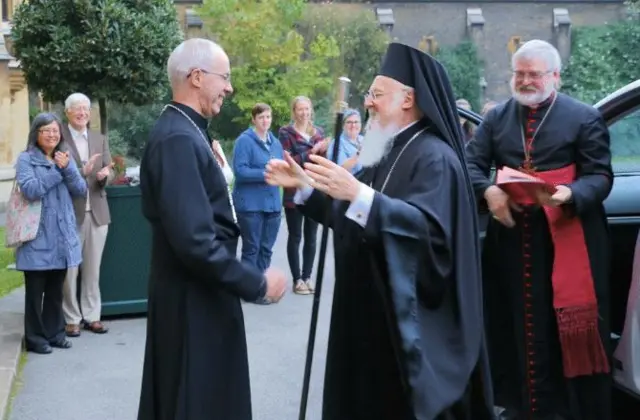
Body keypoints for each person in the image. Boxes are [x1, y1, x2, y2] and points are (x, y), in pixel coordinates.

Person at [266, 42, 494, 419]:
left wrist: (360, 194)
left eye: (376, 94)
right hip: (371, 318)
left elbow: (427, 234)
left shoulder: (437, 158)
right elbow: (353, 212)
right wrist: (305, 186)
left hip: (410, 329)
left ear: (408, 99)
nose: (368, 103)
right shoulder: (388, 150)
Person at [136, 38, 287, 420]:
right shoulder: (177, 139)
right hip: (192, 301)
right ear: (197, 77)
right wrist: (255, 282)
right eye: (226, 77)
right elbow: (195, 242)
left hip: (200, 294)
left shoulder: (189, 131)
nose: (230, 87)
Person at [465, 39, 613, 419]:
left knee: (562, 331)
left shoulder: (583, 117)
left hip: (567, 239)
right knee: (514, 326)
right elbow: (469, 165)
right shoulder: (498, 118)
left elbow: (600, 175)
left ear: (555, 77)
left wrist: (571, 193)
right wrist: (489, 191)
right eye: (519, 73)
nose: (526, 81)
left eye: (534, 74)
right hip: (512, 242)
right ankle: (521, 408)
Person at [15, 112, 88, 354]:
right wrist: (57, 171)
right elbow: (31, 189)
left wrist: (67, 168)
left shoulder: (64, 157)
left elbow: (80, 188)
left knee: (56, 291)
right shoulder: (26, 159)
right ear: (36, 133)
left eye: (55, 130)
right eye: (46, 130)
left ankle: (55, 334)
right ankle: (36, 339)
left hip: (61, 235)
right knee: (35, 294)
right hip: (37, 235)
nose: (52, 134)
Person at [61, 92, 114, 337]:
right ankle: (71, 318)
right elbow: (59, 175)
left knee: (93, 269)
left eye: (85, 109)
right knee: (70, 270)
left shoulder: (99, 138)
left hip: (98, 212)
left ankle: (92, 316)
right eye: (77, 109)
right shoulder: (58, 138)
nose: (82, 113)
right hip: (71, 212)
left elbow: (109, 169)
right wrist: (82, 171)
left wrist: (105, 176)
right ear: (67, 112)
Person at [277, 96, 328, 295]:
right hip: (293, 190)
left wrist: (322, 151)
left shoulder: (319, 133)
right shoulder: (285, 132)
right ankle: (297, 279)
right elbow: (288, 161)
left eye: (307, 109)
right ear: (294, 111)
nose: (304, 113)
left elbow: (321, 162)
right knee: (296, 236)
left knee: (311, 237)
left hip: (313, 190)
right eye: (300, 109)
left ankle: (307, 277)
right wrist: (312, 152)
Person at [232, 103, 284, 276]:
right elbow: (240, 171)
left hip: (273, 205)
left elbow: (281, 171)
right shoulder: (244, 141)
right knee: (252, 249)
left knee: (266, 249)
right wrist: (267, 173)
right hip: (251, 205)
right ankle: (249, 288)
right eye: (261, 117)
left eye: (268, 117)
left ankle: (262, 286)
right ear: (253, 119)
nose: (265, 121)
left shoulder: (276, 144)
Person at [327, 108, 363, 174]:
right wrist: (358, 154)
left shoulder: (363, 139)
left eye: (356, 122)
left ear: (360, 124)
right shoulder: (337, 144)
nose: (353, 125)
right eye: (349, 122)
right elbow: (339, 170)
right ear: (343, 126)